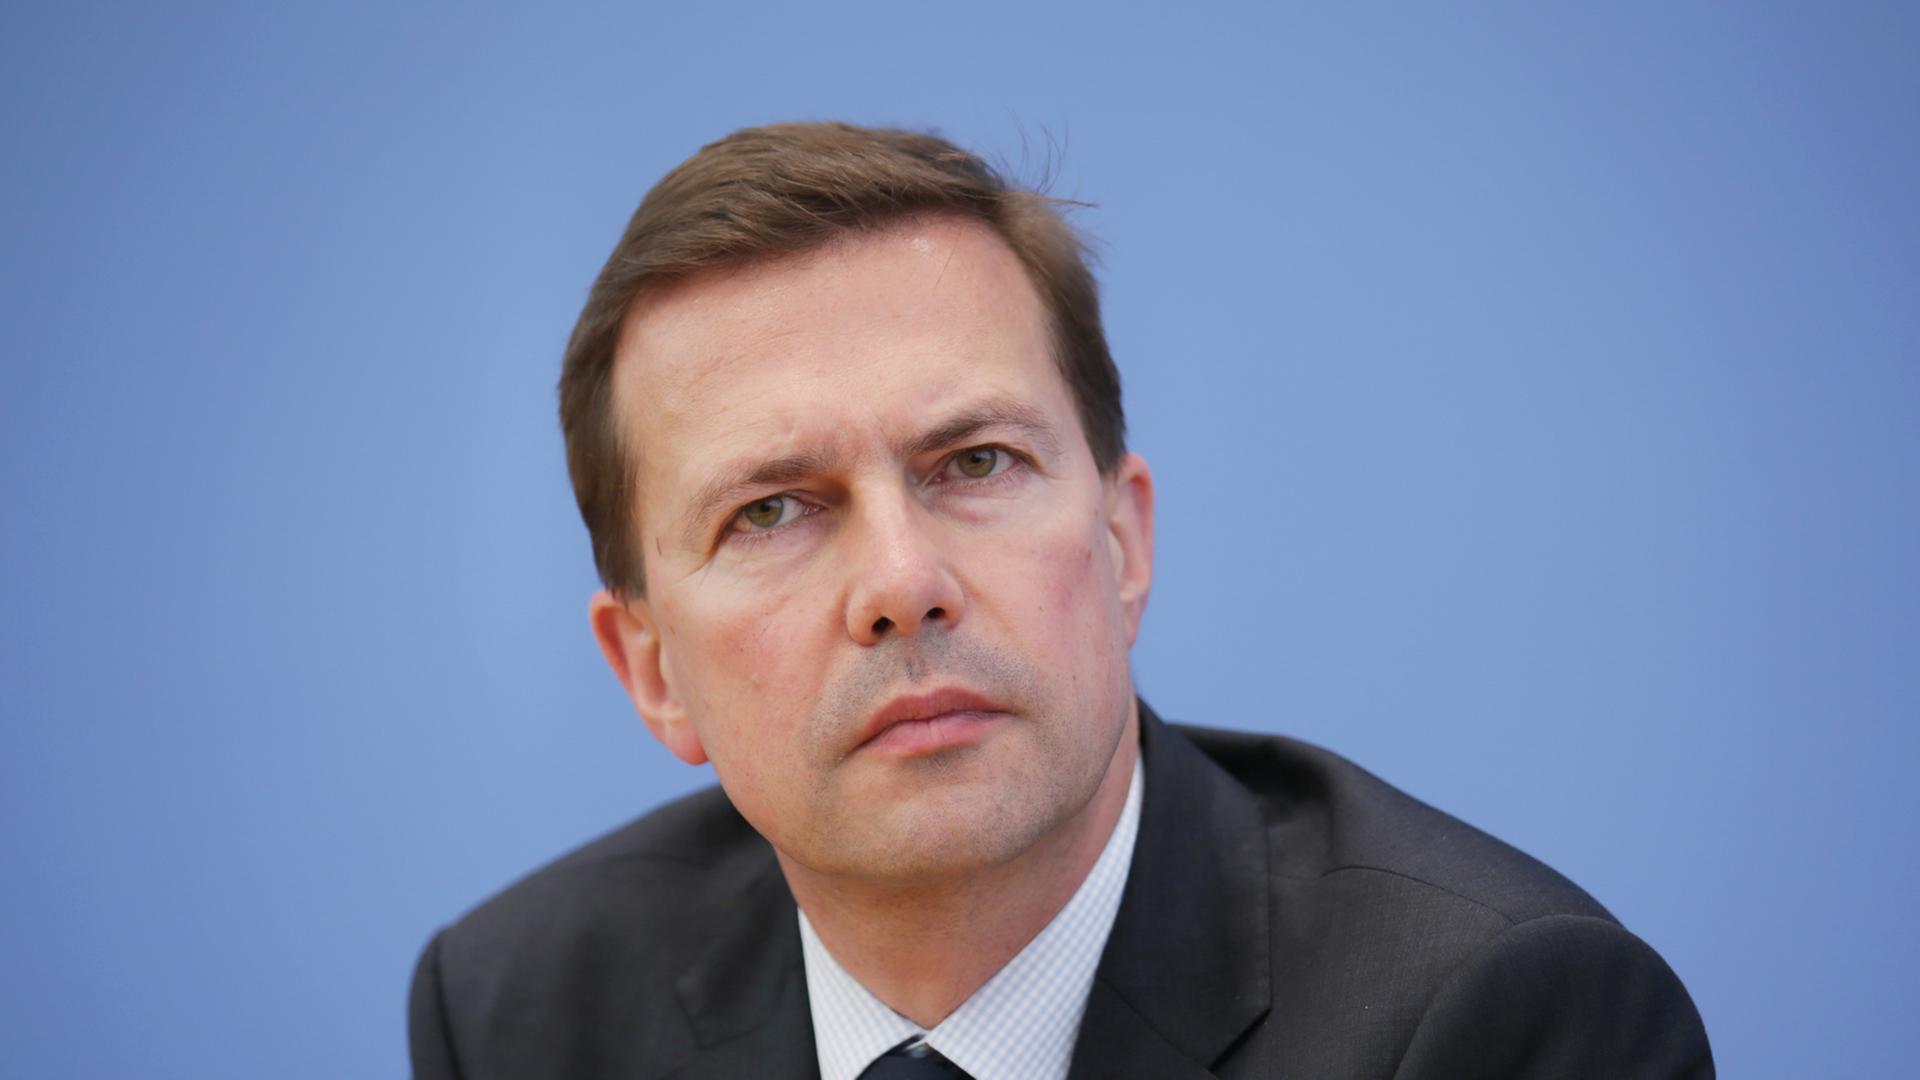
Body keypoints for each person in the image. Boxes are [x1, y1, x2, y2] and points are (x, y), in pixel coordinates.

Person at [408, 121, 1713, 1079]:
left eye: (975, 464)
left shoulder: (1492, 1022)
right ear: (650, 673)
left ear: (1124, 538)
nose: (903, 586)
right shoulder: (521, 1013)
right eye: (772, 511)